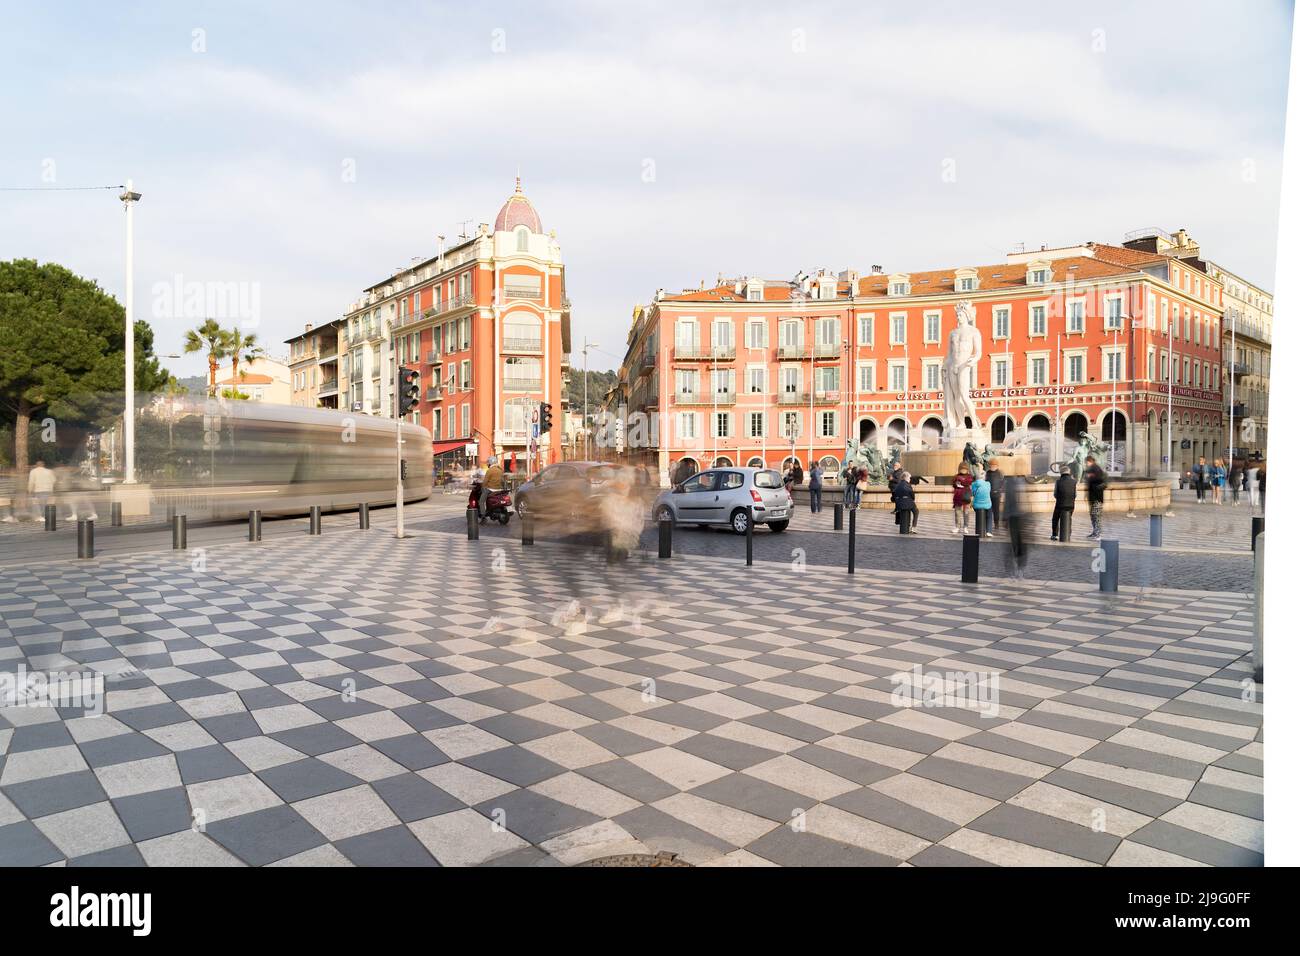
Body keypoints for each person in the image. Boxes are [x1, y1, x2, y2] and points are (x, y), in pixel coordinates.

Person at [1004, 475, 1031, 578]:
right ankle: (1016, 568)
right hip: (1014, 517)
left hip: (1022, 517)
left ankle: (1020, 567)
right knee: (1015, 543)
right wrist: (1005, 517)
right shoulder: (1011, 483)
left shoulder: (1023, 482)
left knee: (1021, 544)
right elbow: (1007, 501)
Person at [1083, 455, 1106, 538]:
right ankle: (1095, 532)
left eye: (1087, 462)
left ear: (1090, 461)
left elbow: (1102, 482)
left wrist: (1091, 477)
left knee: (1096, 515)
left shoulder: (1096, 469)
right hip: (1093, 497)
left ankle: (1097, 533)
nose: (1086, 464)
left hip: (1097, 497)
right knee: (1093, 515)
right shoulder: (1092, 469)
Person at [1051, 467, 1076, 541]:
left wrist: (1059, 499)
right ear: (1069, 472)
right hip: (1071, 505)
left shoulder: (1058, 482)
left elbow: (1055, 494)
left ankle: (1055, 535)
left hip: (1060, 504)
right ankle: (1068, 533)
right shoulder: (1074, 482)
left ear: (1061, 473)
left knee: (1055, 518)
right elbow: (1075, 495)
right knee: (1069, 518)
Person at [951, 462, 973, 534]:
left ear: (967, 469)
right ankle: (957, 526)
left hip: (966, 496)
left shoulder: (969, 476)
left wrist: (961, 481)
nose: (963, 470)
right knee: (957, 512)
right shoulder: (956, 476)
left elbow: (968, 482)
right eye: (962, 469)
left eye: (964, 469)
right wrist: (956, 483)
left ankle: (966, 527)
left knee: (966, 512)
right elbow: (953, 484)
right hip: (958, 497)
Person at [971, 469, 992, 537]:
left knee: (978, 510)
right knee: (989, 515)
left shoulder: (974, 484)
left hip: (976, 506)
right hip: (987, 505)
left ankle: (979, 530)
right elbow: (989, 491)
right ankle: (988, 530)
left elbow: (973, 493)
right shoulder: (988, 484)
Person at [986, 458, 1005, 532]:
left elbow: (1003, 483)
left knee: (996, 510)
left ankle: (996, 523)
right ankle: (989, 524)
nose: (993, 467)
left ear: (997, 466)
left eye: (994, 465)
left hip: (997, 495)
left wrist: (1000, 490)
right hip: (989, 494)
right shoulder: (987, 473)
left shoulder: (1000, 473)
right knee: (988, 510)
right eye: (991, 465)